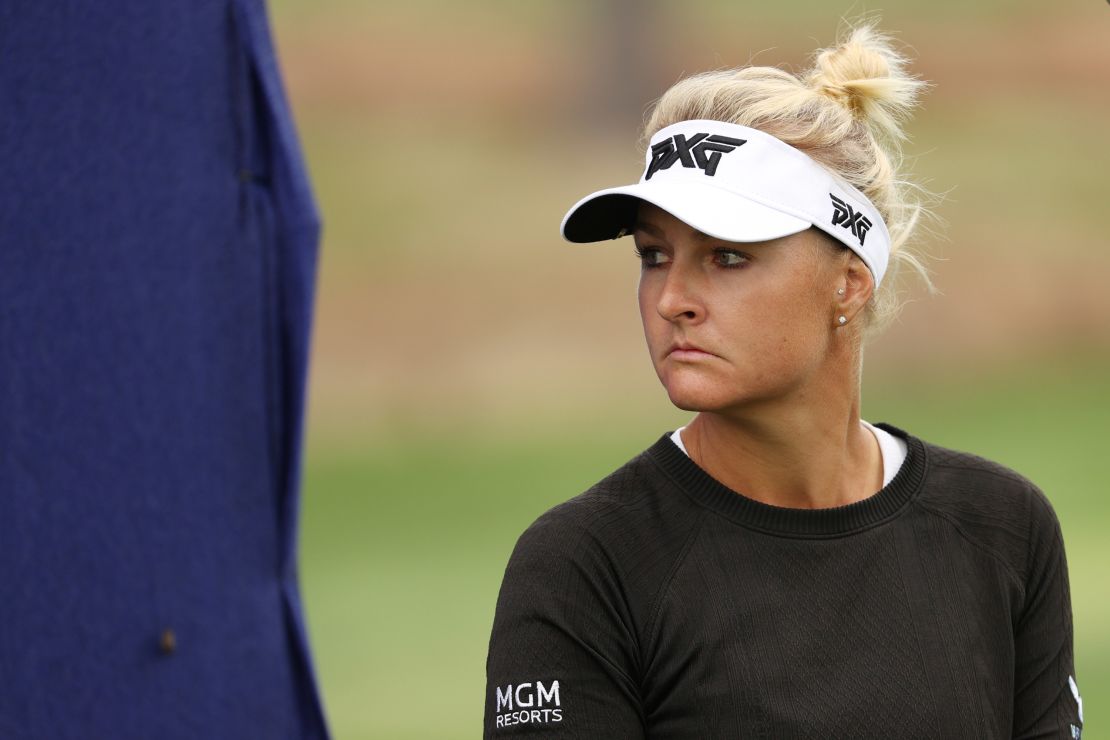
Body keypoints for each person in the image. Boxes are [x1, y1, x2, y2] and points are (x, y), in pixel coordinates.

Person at [483, 23, 1082, 740]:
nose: (673, 297)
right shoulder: (586, 562)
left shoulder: (1001, 528)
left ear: (849, 285)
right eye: (653, 255)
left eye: (728, 257)